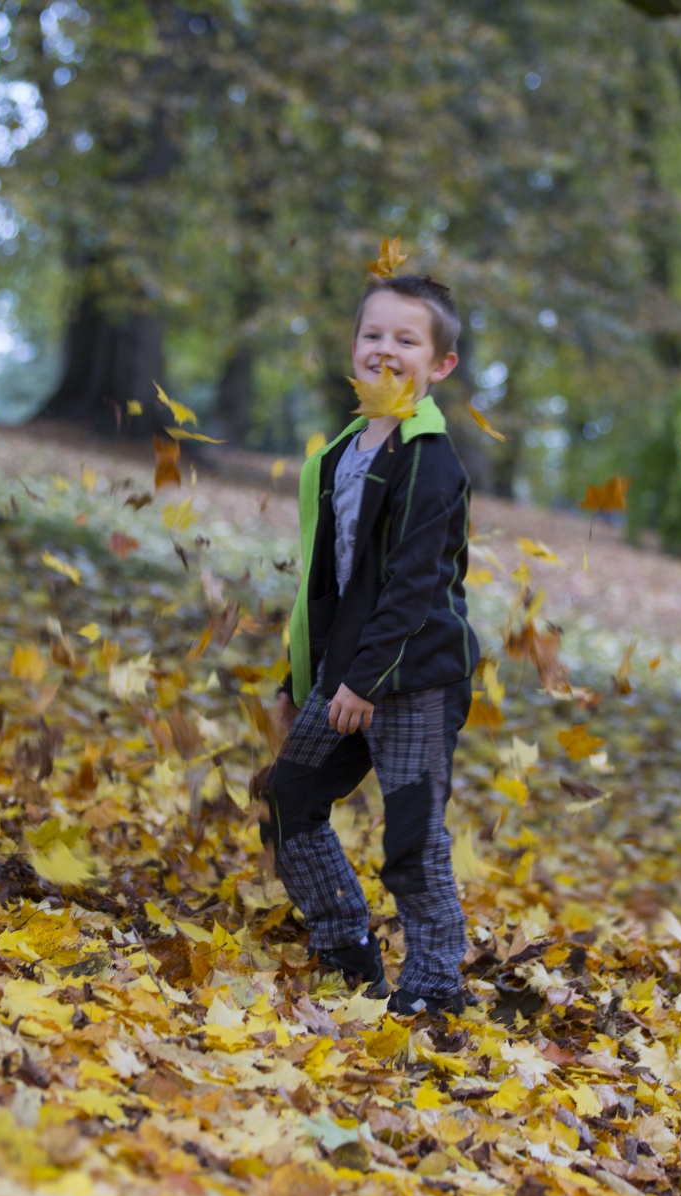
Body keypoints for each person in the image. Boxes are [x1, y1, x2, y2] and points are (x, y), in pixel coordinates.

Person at [260, 273, 480, 1017]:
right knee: (291, 797)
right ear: (353, 351)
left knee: (412, 837)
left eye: (407, 340)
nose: (386, 350)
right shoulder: (341, 452)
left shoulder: (430, 461)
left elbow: (411, 589)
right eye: (373, 335)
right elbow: (328, 578)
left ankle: (435, 983)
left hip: (413, 675)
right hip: (348, 668)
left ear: (439, 366)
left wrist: (365, 683)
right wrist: (305, 675)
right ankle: (345, 944)